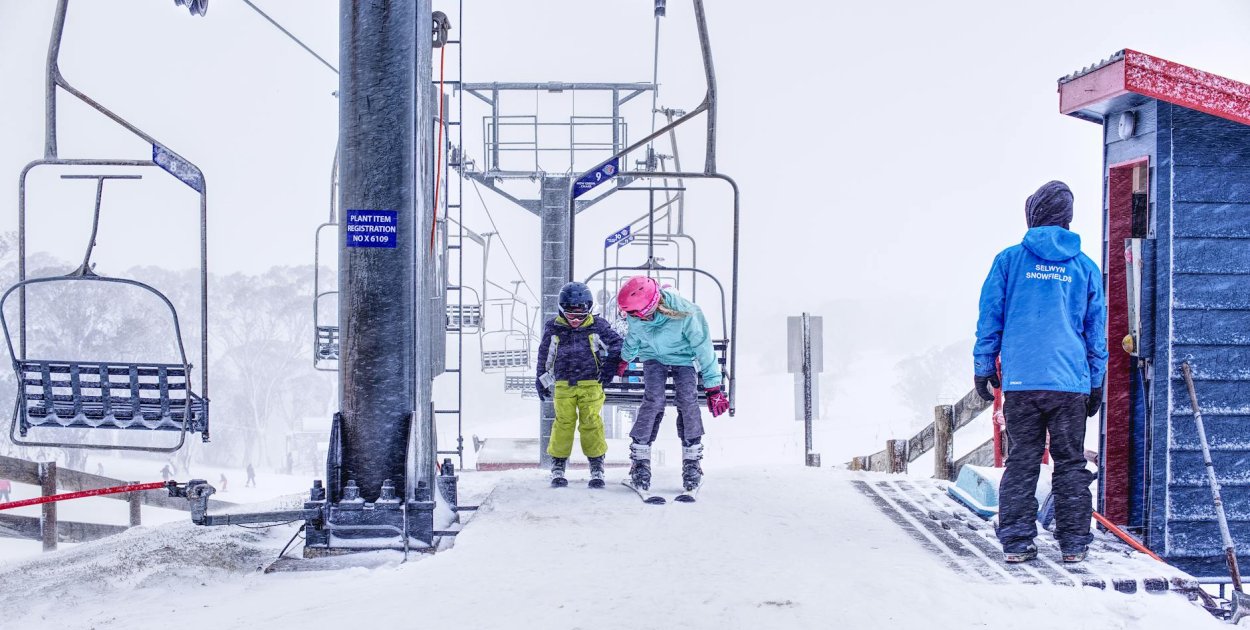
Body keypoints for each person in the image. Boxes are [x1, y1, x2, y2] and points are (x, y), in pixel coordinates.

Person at [973, 180, 1108, 564]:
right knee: (1070, 463)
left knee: (1022, 460)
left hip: (1023, 382)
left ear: (1033, 214)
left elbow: (990, 318)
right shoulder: (1084, 268)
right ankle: (1074, 543)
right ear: (1067, 217)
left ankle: (1017, 541)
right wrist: (1096, 381)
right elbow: (1095, 332)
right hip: (1069, 384)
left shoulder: (1009, 261)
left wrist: (983, 365)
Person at [616, 276, 728, 492]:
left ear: (649, 308)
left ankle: (692, 463)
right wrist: (624, 358)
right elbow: (633, 338)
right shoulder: (635, 315)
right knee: (653, 400)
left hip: (683, 358)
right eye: (630, 315)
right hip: (653, 357)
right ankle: (640, 462)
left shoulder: (687, 313)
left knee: (687, 400)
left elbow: (704, 348)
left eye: (635, 315)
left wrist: (713, 387)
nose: (632, 318)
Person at [535, 281, 623, 488]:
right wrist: (541, 379)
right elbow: (545, 355)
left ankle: (596, 464)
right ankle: (558, 464)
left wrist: (609, 367)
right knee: (563, 422)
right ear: (561, 310)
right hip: (564, 383)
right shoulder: (555, 328)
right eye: (570, 315)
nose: (575, 321)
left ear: (589, 311)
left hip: (591, 382)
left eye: (580, 316)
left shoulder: (597, 326)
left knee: (591, 422)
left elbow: (617, 344)